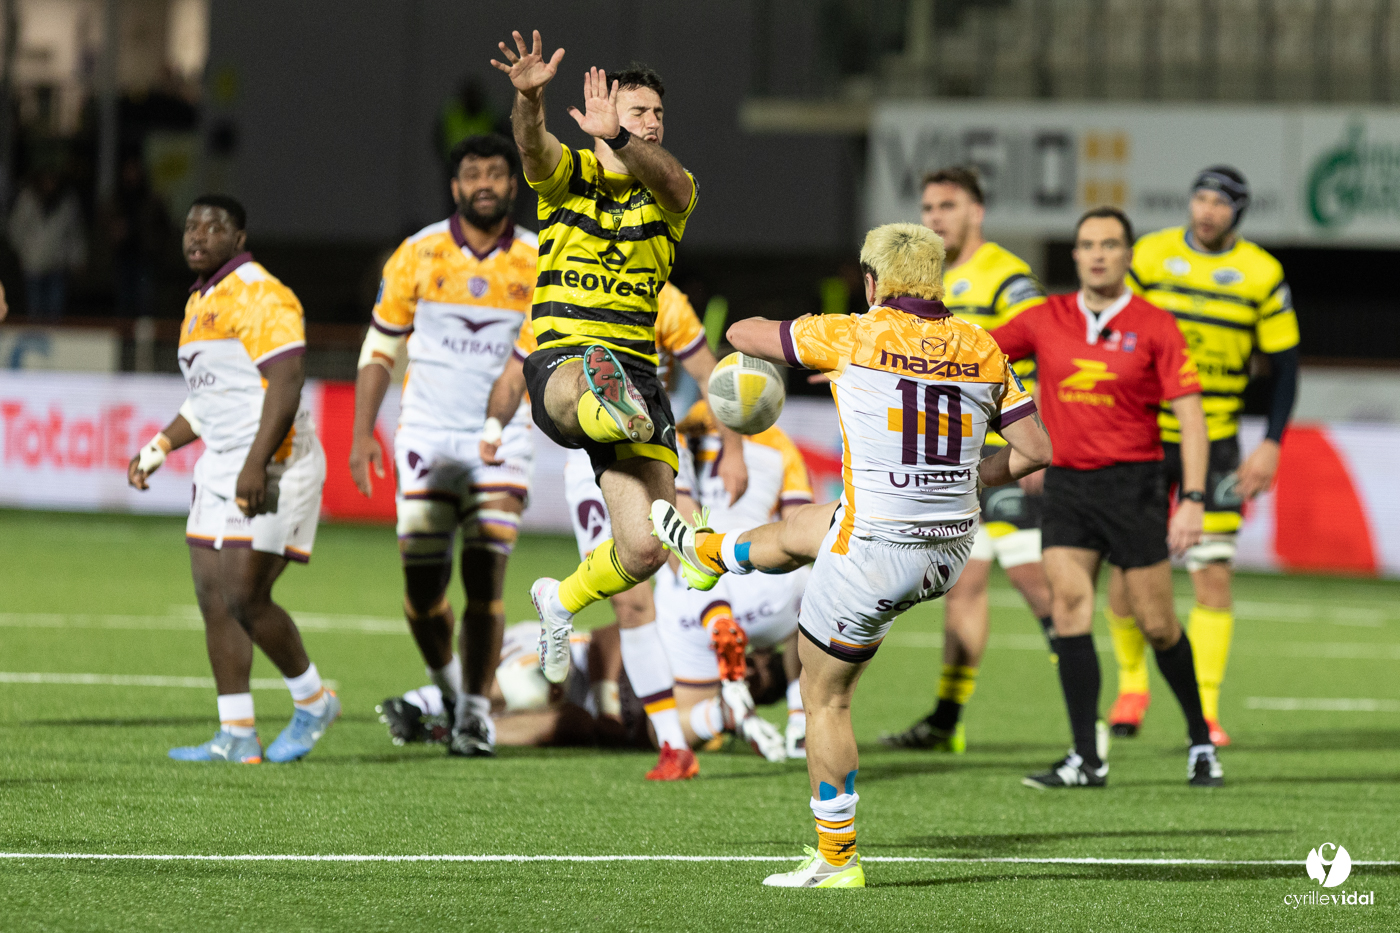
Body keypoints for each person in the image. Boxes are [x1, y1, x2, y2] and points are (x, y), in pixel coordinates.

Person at [653, 223, 1053, 888]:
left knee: (823, 698)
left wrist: (811, 340)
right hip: (950, 547)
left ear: (873, 282)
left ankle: (836, 860)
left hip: (877, 550)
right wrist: (974, 477)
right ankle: (711, 552)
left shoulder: (854, 333)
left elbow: (743, 333)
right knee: (809, 523)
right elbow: (1038, 450)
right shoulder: (984, 347)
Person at [489, 34, 726, 758]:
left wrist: (622, 135)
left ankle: (557, 599)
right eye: (636, 110)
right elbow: (534, 152)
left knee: (645, 548)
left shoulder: (671, 187)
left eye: (656, 112)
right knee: (586, 379)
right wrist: (529, 100)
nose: (651, 121)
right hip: (565, 358)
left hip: (638, 374)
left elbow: (675, 183)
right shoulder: (574, 174)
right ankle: (607, 399)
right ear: (603, 112)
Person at [986, 206, 1222, 790]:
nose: (1097, 253)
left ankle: (1199, 741)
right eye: (1087, 243)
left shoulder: (1157, 325)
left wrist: (1192, 496)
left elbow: (1192, 422)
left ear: (1128, 255)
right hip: (1067, 485)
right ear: (1074, 255)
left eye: (1110, 244)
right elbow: (970, 355)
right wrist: (868, 362)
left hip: (1134, 486)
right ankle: (1085, 759)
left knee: (1158, 624)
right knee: (1069, 611)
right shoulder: (1044, 317)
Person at [479, 282, 747, 779]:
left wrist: (734, 450)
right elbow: (517, 371)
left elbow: (710, 375)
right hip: (590, 460)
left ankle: (563, 602)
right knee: (632, 600)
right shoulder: (563, 292)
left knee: (687, 562)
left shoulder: (661, 299)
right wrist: (493, 428)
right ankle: (672, 744)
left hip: (658, 444)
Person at [126, 195, 335, 763]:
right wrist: (158, 446)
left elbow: (287, 382)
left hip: (274, 460)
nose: (197, 235)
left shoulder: (260, 292)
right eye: (190, 225)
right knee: (213, 598)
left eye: (213, 227)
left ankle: (313, 701)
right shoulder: (200, 300)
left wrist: (255, 464)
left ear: (238, 238)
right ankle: (237, 732)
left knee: (245, 594)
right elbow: (207, 400)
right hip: (220, 462)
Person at [349, 134, 538, 758]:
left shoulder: (541, 260)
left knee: (486, 578)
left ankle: (477, 715)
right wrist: (361, 435)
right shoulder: (417, 253)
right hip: (426, 435)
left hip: (502, 438)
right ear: (455, 186)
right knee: (422, 591)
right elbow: (379, 349)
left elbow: (538, 354)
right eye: (472, 173)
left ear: (514, 184)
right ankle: (452, 692)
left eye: (496, 173)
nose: (484, 182)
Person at [1107, 167, 1300, 746]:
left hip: (1215, 441)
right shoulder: (1150, 256)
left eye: (1220, 203)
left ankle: (1207, 710)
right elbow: (1114, 329)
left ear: (1237, 213)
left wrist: (1271, 443)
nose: (1207, 210)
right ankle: (1132, 686)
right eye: (1201, 198)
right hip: (1142, 433)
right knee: (1129, 568)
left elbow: (1286, 366)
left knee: (1213, 572)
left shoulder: (1262, 275)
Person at [882, 166, 1056, 754]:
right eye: (928, 207)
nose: (934, 217)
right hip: (956, 457)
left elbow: (1046, 349)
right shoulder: (925, 283)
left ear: (976, 212)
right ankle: (946, 720)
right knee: (966, 584)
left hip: (1007, 450)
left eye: (947, 206)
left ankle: (1089, 718)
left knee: (1034, 581)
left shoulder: (1007, 277)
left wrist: (1036, 441)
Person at [655, 400, 814, 762]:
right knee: (814, 587)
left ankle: (721, 713)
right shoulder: (780, 445)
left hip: (690, 600)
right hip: (762, 589)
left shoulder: (680, 433)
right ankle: (800, 722)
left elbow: (678, 513)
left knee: (673, 725)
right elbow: (800, 531)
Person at [7, 168, 86, 320]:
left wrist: (78, 258)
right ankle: (36, 342)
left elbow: (74, 233)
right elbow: (15, 229)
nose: (50, 184)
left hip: (57, 264)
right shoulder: (28, 199)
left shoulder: (67, 201)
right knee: (35, 309)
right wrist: (23, 253)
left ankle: (51, 342)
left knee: (54, 312)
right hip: (33, 264)